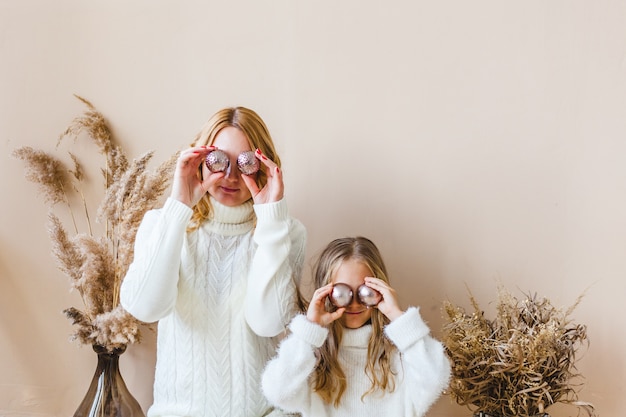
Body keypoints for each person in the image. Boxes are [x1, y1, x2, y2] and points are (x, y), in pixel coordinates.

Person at [120, 106, 307, 417]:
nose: (231, 176)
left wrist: (271, 220)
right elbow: (143, 307)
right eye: (219, 160)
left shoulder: (287, 233)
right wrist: (178, 207)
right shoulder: (163, 223)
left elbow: (268, 323)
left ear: (262, 165)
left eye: (245, 163)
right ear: (200, 160)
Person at [261, 236, 450, 417]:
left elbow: (436, 378)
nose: (354, 303)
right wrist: (308, 331)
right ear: (326, 293)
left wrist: (398, 317)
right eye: (342, 292)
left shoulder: (400, 354)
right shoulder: (313, 358)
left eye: (365, 292)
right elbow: (278, 392)